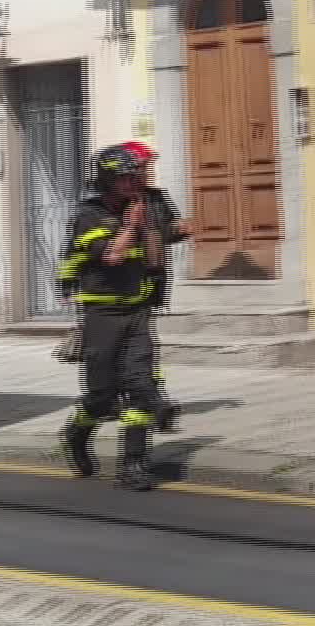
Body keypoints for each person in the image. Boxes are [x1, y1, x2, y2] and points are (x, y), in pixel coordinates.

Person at [59, 144, 167, 491]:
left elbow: (152, 260)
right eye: (124, 178)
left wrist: (155, 229)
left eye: (135, 175)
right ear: (107, 180)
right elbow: (112, 257)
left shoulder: (141, 208)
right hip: (102, 313)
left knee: (142, 387)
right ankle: (76, 436)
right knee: (101, 397)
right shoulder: (87, 215)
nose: (133, 182)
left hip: (137, 310)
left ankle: (133, 464)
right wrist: (131, 227)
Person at [122, 140, 189, 433]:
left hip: (151, 277)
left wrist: (181, 230)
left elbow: (168, 231)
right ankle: (143, 395)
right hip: (120, 283)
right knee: (134, 344)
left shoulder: (157, 197)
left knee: (143, 342)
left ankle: (146, 394)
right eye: (143, 167)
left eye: (149, 167)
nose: (148, 172)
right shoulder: (113, 200)